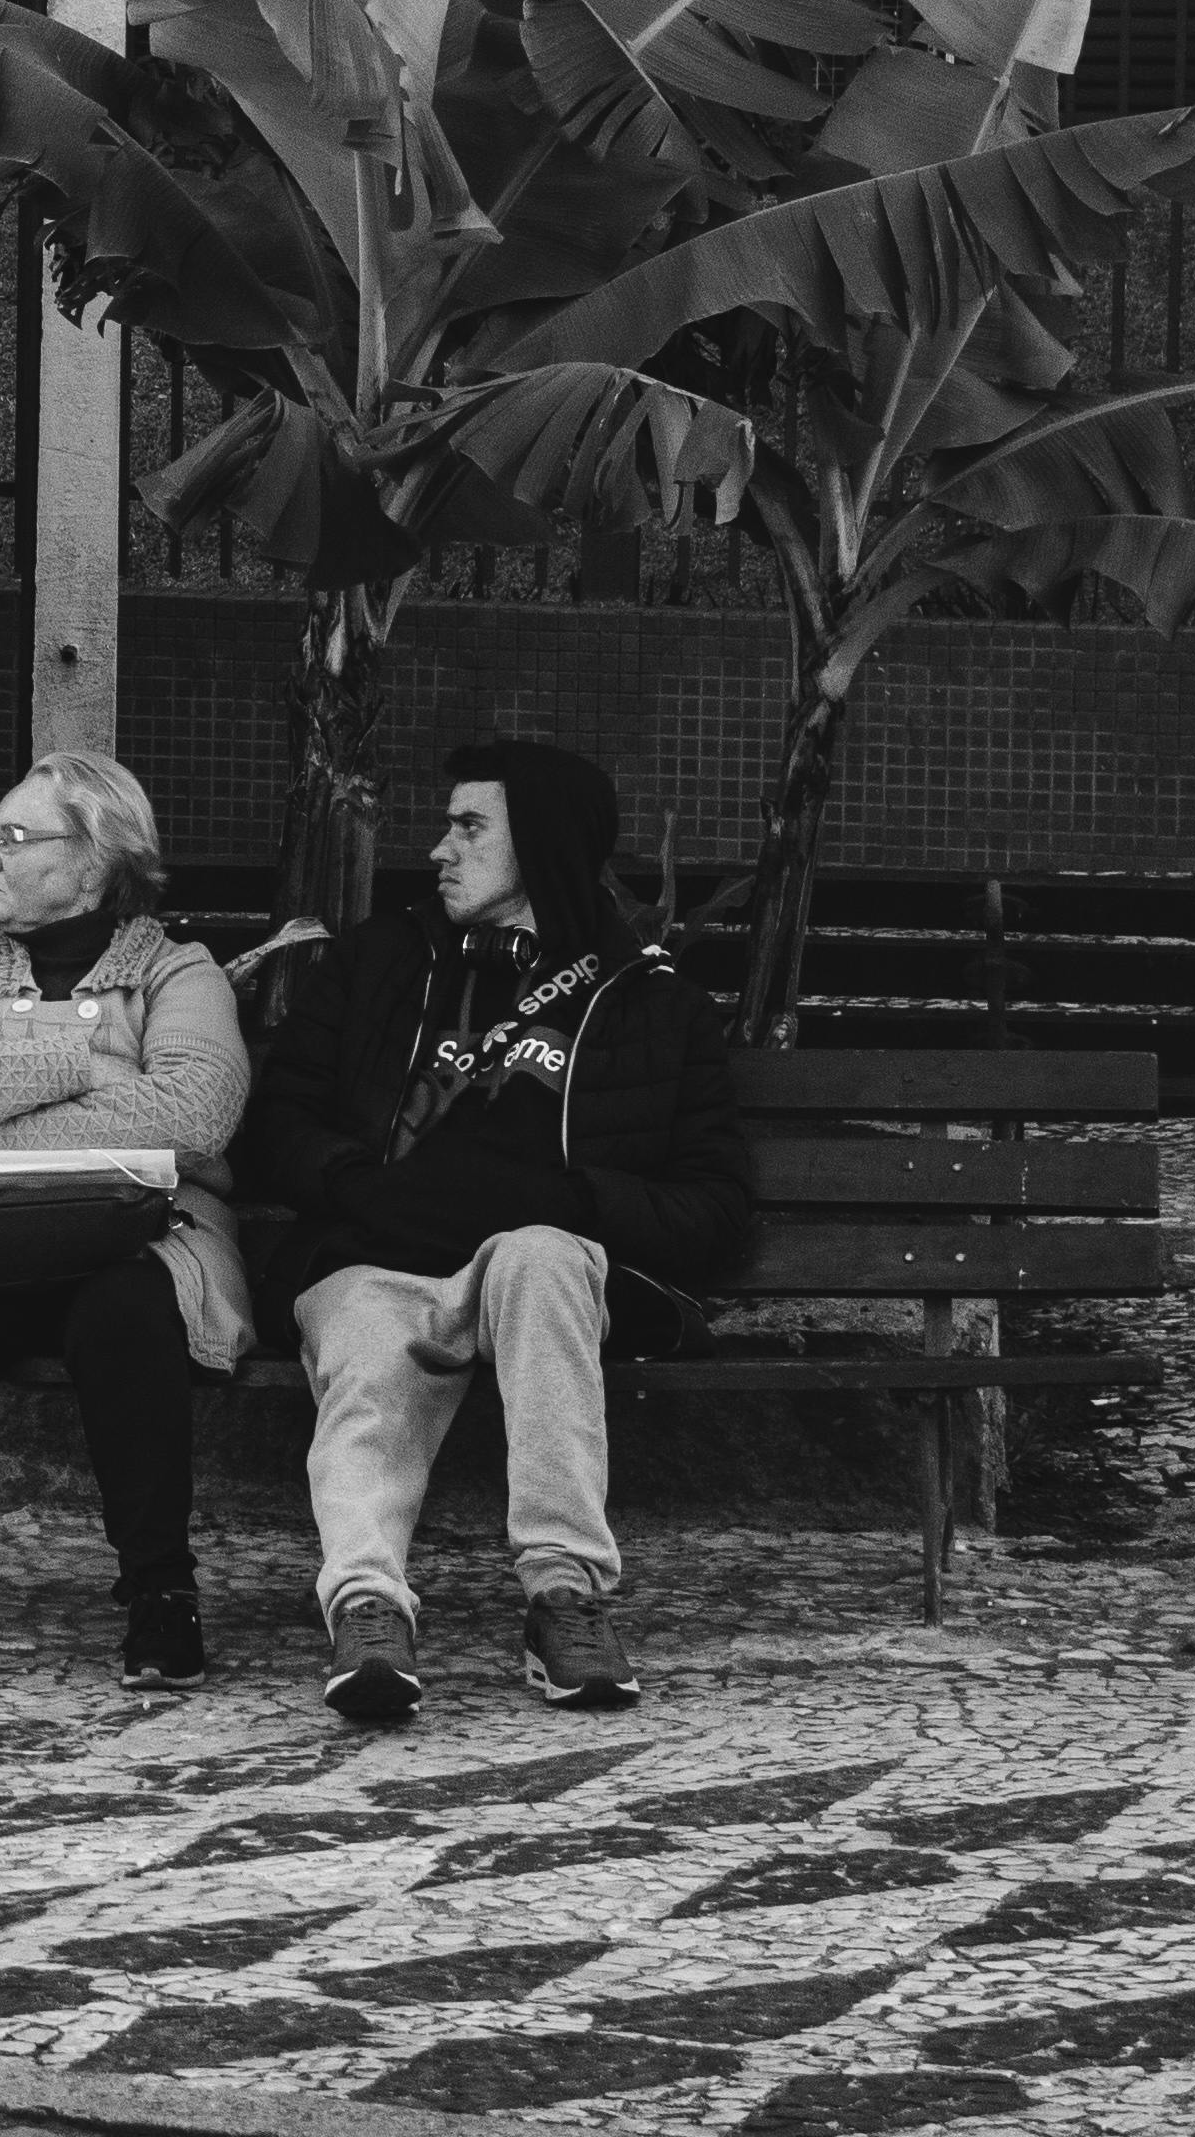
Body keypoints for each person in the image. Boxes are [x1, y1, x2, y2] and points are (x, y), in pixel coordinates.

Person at [244, 738, 754, 1723]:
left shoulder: (653, 1009)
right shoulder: (377, 965)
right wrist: (357, 1183)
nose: (439, 848)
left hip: (538, 1275)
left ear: (545, 845)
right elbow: (279, 1131)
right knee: (365, 1332)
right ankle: (365, 1607)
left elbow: (715, 1212)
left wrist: (578, 1200)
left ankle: (564, 1595)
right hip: (374, 1253)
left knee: (542, 1255)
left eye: (470, 826)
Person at [0, 750, 251, 1692]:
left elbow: (194, 1114)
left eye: (13, 838)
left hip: (137, 1241)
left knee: (129, 1313)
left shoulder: (181, 972)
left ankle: (161, 1595)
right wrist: (88, 1060)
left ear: (98, 860)